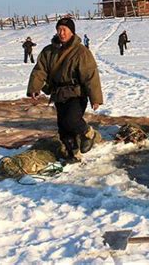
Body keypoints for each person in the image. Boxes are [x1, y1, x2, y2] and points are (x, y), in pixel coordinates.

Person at [27, 18, 104, 162]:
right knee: (63, 129)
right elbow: (40, 70)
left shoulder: (81, 51)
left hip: (76, 93)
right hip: (58, 94)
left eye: (64, 30)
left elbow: (90, 75)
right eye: (59, 29)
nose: (61, 33)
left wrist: (95, 98)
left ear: (72, 32)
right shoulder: (49, 51)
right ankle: (73, 154)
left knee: (71, 120)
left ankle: (89, 133)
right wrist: (34, 88)